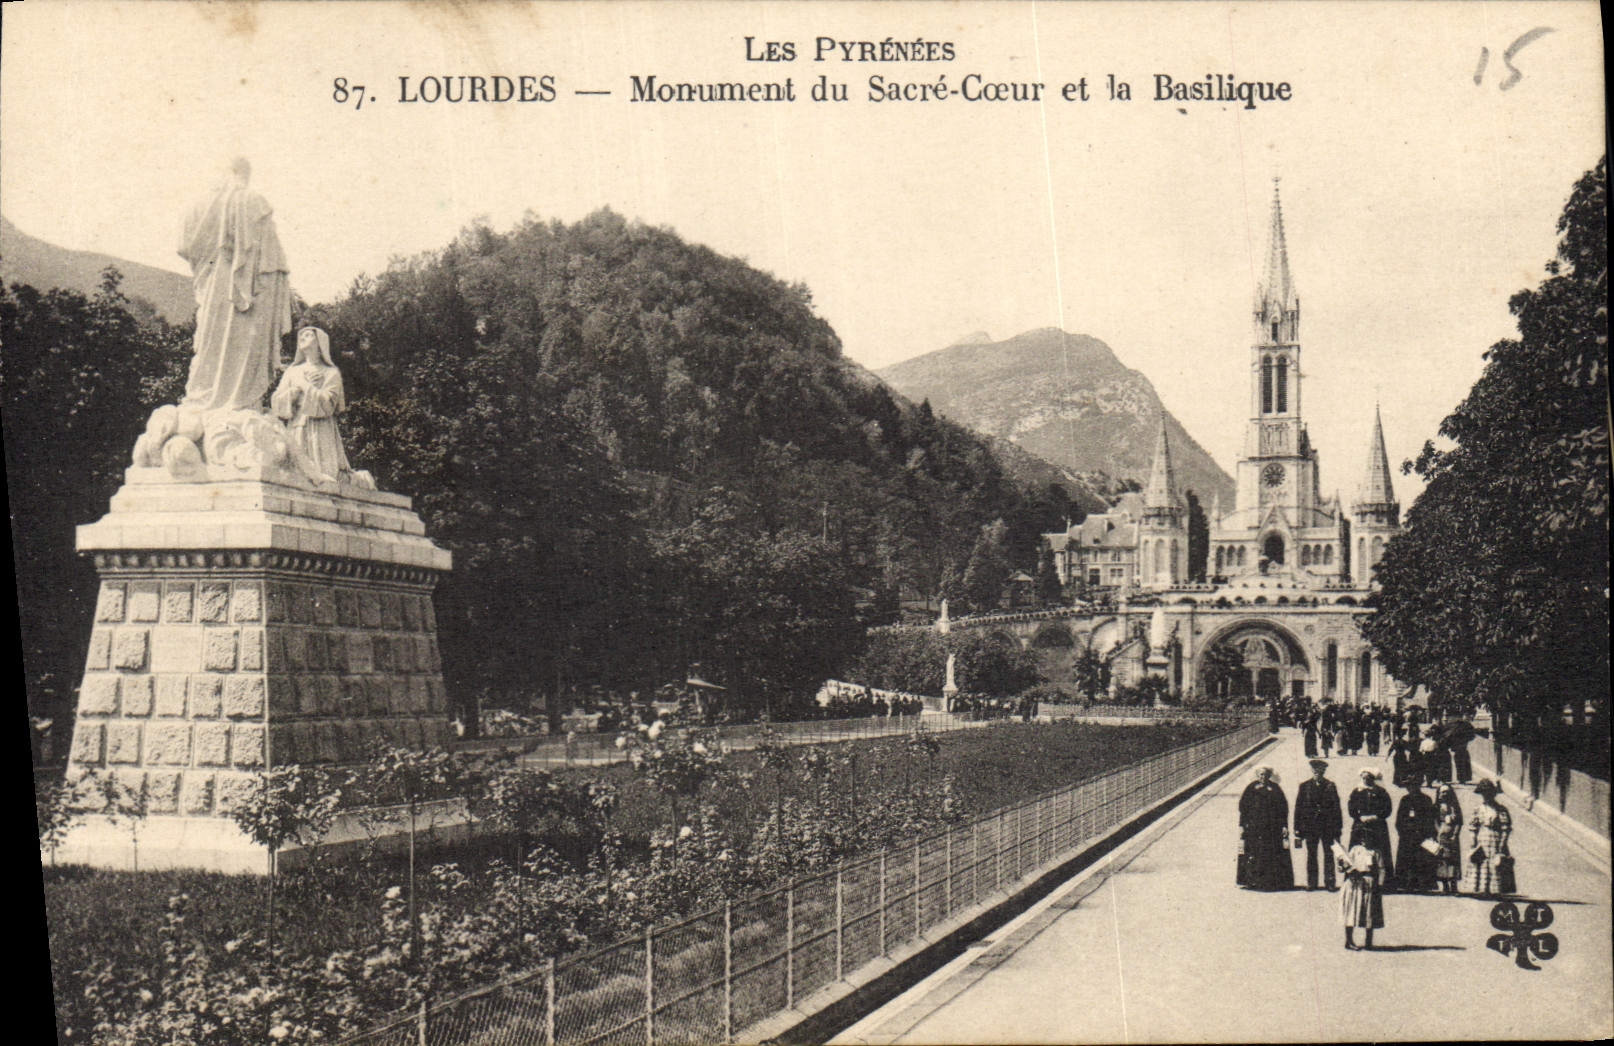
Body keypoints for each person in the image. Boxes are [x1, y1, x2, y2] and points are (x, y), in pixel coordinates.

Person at [179, 157, 293, 413]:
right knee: (242, 344)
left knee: (210, 345)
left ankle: (206, 400)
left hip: (212, 287)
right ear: (244, 173)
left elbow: (182, 245)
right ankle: (239, 403)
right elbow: (273, 262)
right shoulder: (252, 201)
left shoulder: (197, 206)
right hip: (248, 294)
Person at [272, 326, 353, 484]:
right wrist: (295, 392)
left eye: (308, 335)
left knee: (324, 477)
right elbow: (276, 401)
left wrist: (306, 386)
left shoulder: (331, 373)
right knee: (296, 474)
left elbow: (328, 404)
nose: (302, 337)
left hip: (321, 429)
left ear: (319, 343)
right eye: (301, 335)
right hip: (297, 426)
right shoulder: (292, 372)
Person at [1237, 766, 1293, 890]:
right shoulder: (1251, 788)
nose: (1263, 777)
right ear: (1257, 776)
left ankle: (1270, 882)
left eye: (1265, 775)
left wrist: (1284, 825)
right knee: (1254, 853)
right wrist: (1242, 825)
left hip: (1272, 827)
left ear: (1269, 776)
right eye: (1261, 775)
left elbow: (1283, 809)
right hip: (1254, 827)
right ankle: (1253, 881)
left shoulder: (1276, 789)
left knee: (1270, 854)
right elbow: (1243, 808)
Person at [1294, 758, 1343, 890]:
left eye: (1320, 771)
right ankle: (1312, 882)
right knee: (1311, 854)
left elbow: (1337, 808)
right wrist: (1297, 829)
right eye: (1315, 770)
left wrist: (1338, 828)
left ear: (1324, 771)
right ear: (1312, 771)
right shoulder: (1304, 786)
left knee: (1328, 854)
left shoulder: (1330, 786)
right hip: (1310, 826)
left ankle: (1330, 882)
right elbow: (1298, 808)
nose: (1317, 773)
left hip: (1327, 826)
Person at [1347, 767, 1395, 884]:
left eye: (1368, 779)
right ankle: (1356, 878)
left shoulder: (1381, 792)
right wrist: (1359, 817)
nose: (1365, 781)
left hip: (1378, 825)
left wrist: (1376, 816)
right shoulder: (1356, 792)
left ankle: (1383, 882)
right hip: (1360, 825)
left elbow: (1387, 808)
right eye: (1363, 778)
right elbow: (1351, 808)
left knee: (1380, 852)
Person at [1466, 779, 1514, 896]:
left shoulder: (1501, 810)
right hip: (1482, 837)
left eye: (1488, 793)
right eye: (1483, 794)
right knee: (1481, 861)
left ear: (1493, 794)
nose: (1486, 796)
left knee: (1495, 863)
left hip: (1495, 838)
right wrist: (1473, 839)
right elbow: (1473, 825)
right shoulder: (1478, 809)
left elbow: (1505, 827)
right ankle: (1481, 889)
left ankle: (1495, 890)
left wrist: (1502, 842)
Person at [1338, 839, 1385, 950]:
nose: (1365, 840)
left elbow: (1382, 869)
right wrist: (1344, 867)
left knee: (1369, 912)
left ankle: (1368, 942)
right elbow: (1347, 864)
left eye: (1369, 837)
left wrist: (1379, 884)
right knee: (1351, 911)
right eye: (1363, 837)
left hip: (1369, 883)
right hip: (1354, 882)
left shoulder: (1376, 852)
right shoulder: (1355, 850)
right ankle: (1349, 941)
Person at [1393, 782, 1438, 892]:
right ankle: (1405, 884)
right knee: (1407, 859)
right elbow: (1399, 818)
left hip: (1422, 834)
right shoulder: (1405, 800)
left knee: (1421, 859)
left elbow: (1430, 818)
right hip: (1407, 835)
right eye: (1410, 787)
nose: (1412, 789)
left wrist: (1429, 833)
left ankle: (1422, 884)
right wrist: (1402, 831)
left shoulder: (1426, 800)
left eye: (1414, 786)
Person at [1432, 783, 1464, 894]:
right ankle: (1445, 885)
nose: (1444, 794)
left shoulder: (1454, 807)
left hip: (1452, 835)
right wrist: (1438, 832)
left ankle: (1454, 885)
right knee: (1442, 860)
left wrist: (1455, 834)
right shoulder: (1437, 807)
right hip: (1441, 834)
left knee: (1453, 860)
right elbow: (1434, 820)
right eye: (1441, 792)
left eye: (1446, 792)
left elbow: (1459, 821)